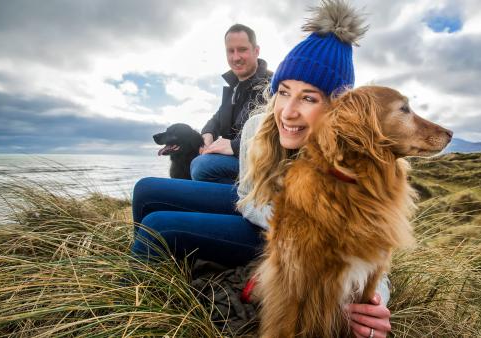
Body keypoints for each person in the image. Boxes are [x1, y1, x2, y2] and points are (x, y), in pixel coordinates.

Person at [131, 2, 392, 336]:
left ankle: (133, 316)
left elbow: (375, 248)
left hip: (287, 243)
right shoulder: (260, 127)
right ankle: (160, 275)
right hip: (257, 210)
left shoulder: (352, 156)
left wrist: (374, 304)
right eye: (284, 92)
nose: (288, 112)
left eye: (309, 98)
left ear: (336, 107)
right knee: (146, 190)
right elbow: (245, 196)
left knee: (159, 226)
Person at [191, 23, 272, 184]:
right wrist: (208, 133)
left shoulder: (273, 85)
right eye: (230, 51)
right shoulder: (234, 88)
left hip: (260, 166)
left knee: (202, 166)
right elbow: (216, 118)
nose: (236, 57)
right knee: (192, 157)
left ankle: (251, 202)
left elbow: (273, 135)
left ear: (256, 51)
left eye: (242, 49)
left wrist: (234, 146)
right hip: (237, 160)